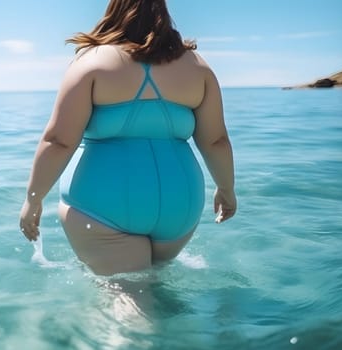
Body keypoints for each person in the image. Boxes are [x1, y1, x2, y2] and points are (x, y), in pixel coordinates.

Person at [19, 0, 236, 276]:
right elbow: (216, 140)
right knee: (156, 288)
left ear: (115, 9)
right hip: (180, 205)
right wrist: (226, 189)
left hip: (103, 204)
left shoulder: (93, 62)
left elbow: (59, 140)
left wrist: (33, 198)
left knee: (129, 300)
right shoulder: (197, 67)